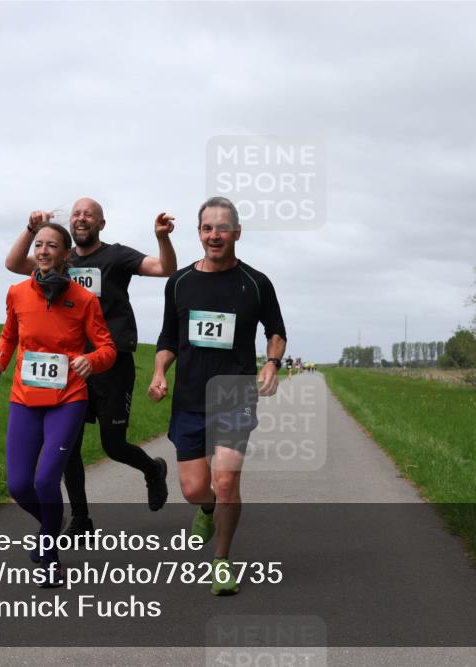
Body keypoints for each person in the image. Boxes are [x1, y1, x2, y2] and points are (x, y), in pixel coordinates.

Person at [5, 198, 175, 536]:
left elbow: (164, 268)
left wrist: (162, 237)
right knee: (69, 449)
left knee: (113, 445)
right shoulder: (60, 259)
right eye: (77, 214)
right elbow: (14, 265)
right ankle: (81, 520)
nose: (82, 218)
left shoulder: (116, 255)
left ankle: (153, 470)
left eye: (90, 215)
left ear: (101, 223)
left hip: (110, 362)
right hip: (68, 366)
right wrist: (31, 228)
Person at [148, 196, 286, 596]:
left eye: (222, 228)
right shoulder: (180, 283)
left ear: (237, 233)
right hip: (190, 398)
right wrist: (159, 372)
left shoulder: (256, 283)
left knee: (225, 483)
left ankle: (222, 562)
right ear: (199, 233)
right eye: (207, 228)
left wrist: (272, 363)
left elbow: (276, 331)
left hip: (235, 395)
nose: (214, 235)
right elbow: (168, 338)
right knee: (195, 489)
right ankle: (206, 510)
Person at [0, 223, 116, 585]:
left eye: (52, 245)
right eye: (39, 244)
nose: (43, 250)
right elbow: (8, 337)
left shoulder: (84, 300)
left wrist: (93, 361)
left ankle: (50, 552)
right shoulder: (18, 293)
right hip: (24, 400)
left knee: (45, 480)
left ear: (66, 254)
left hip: (68, 400)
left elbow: (107, 349)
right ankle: (53, 522)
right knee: (20, 486)